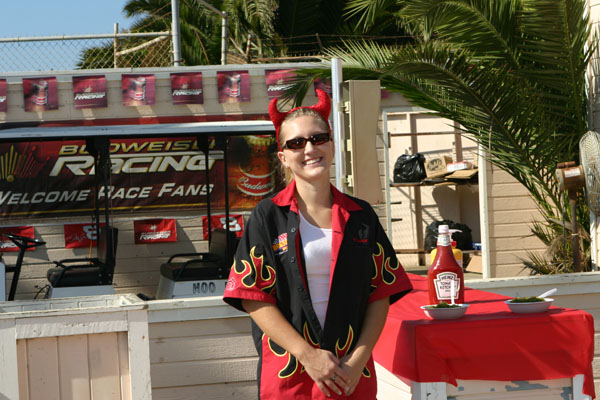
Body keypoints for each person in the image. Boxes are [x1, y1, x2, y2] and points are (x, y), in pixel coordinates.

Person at [223, 89, 412, 399]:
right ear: (283, 157)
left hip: (350, 374)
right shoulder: (267, 216)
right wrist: (309, 356)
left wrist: (357, 361)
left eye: (318, 138)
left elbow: (380, 292)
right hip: (291, 375)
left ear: (332, 145)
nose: (310, 148)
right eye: (296, 143)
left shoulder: (361, 215)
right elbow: (253, 296)